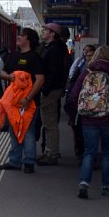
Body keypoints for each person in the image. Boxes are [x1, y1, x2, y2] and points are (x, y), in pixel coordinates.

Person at [65, 45, 109, 199]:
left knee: (89, 152)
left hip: (88, 120)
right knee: (107, 153)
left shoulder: (86, 73)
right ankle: (106, 187)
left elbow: (73, 96)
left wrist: (81, 112)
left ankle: (84, 184)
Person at [0, 27, 45, 173]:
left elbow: (40, 79)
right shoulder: (13, 55)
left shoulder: (34, 57)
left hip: (29, 102)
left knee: (28, 131)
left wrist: (28, 97)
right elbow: (3, 72)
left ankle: (29, 162)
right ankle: (15, 161)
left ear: (28, 39)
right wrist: (8, 77)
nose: (18, 37)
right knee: (13, 130)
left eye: (22, 35)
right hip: (13, 102)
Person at [35, 23, 68, 165]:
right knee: (49, 123)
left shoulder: (54, 50)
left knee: (50, 123)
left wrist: (45, 89)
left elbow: (53, 72)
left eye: (45, 30)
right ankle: (49, 151)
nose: (42, 32)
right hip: (52, 88)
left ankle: (52, 154)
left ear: (52, 34)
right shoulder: (54, 48)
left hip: (50, 90)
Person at [66, 44, 96, 160]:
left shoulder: (87, 69)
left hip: (90, 106)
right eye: (86, 53)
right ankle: (81, 152)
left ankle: (84, 153)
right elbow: (73, 82)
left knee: (86, 131)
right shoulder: (80, 64)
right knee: (80, 130)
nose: (88, 57)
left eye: (91, 54)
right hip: (80, 104)